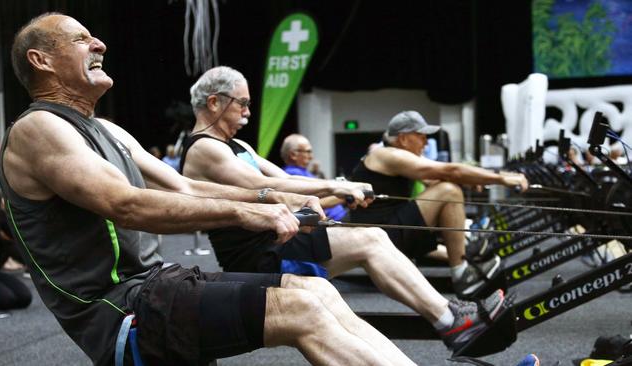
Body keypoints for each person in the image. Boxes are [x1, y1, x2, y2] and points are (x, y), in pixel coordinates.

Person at [4, 13, 421, 366]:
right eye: (81, 39)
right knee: (302, 310)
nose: (99, 44)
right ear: (41, 60)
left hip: (157, 283)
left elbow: (184, 185)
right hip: (117, 311)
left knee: (316, 290)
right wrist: (247, 211)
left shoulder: (105, 128)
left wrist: (275, 199)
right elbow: (124, 204)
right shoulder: (38, 128)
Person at [181, 66, 507, 354]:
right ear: (214, 102)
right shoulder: (204, 149)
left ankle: (450, 316)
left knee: (369, 245)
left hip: (281, 235)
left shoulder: (239, 146)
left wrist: (342, 190)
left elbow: (285, 179)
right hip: (258, 252)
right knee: (371, 240)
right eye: (243, 103)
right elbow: (262, 187)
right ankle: (452, 319)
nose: (248, 113)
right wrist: (335, 187)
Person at [349, 111, 529, 298]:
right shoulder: (388, 155)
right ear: (403, 138)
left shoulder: (394, 155)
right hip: (380, 234)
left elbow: (437, 176)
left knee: (447, 188)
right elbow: (450, 171)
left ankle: (464, 252)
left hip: (387, 229)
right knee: (449, 191)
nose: (426, 143)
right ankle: (462, 273)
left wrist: (472, 178)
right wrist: (502, 178)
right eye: (422, 136)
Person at [280, 134, 348, 221]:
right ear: (293, 154)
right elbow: (309, 204)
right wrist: (346, 196)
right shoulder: (292, 174)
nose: (311, 157)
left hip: (338, 218)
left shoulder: (303, 171)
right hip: (334, 221)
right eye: (308, 152)